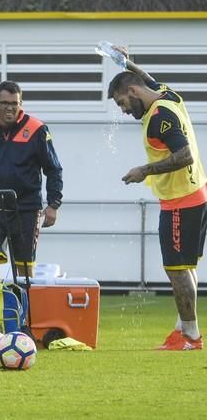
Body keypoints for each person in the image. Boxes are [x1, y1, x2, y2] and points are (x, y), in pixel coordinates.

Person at [108, 48, 206, 350]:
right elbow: (149, 80)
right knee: (184, 266)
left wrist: (144, 170)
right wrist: (127, 63)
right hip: (191, 194)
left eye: (123, 102)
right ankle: (184, 329)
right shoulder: (167, 96)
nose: (124, 110)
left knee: (176, 269)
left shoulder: (158, 117)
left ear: (133, 92)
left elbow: (185, 155)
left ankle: (190, 336)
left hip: (182, 199)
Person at [0, 81, 63, 289]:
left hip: (27, 209)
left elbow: (53, 169)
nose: (10, 108)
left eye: (14, 104)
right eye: (5, 103)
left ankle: (22, 313)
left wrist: (53, 204)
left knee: (24, 267)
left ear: (21, 103)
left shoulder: (37, 129)